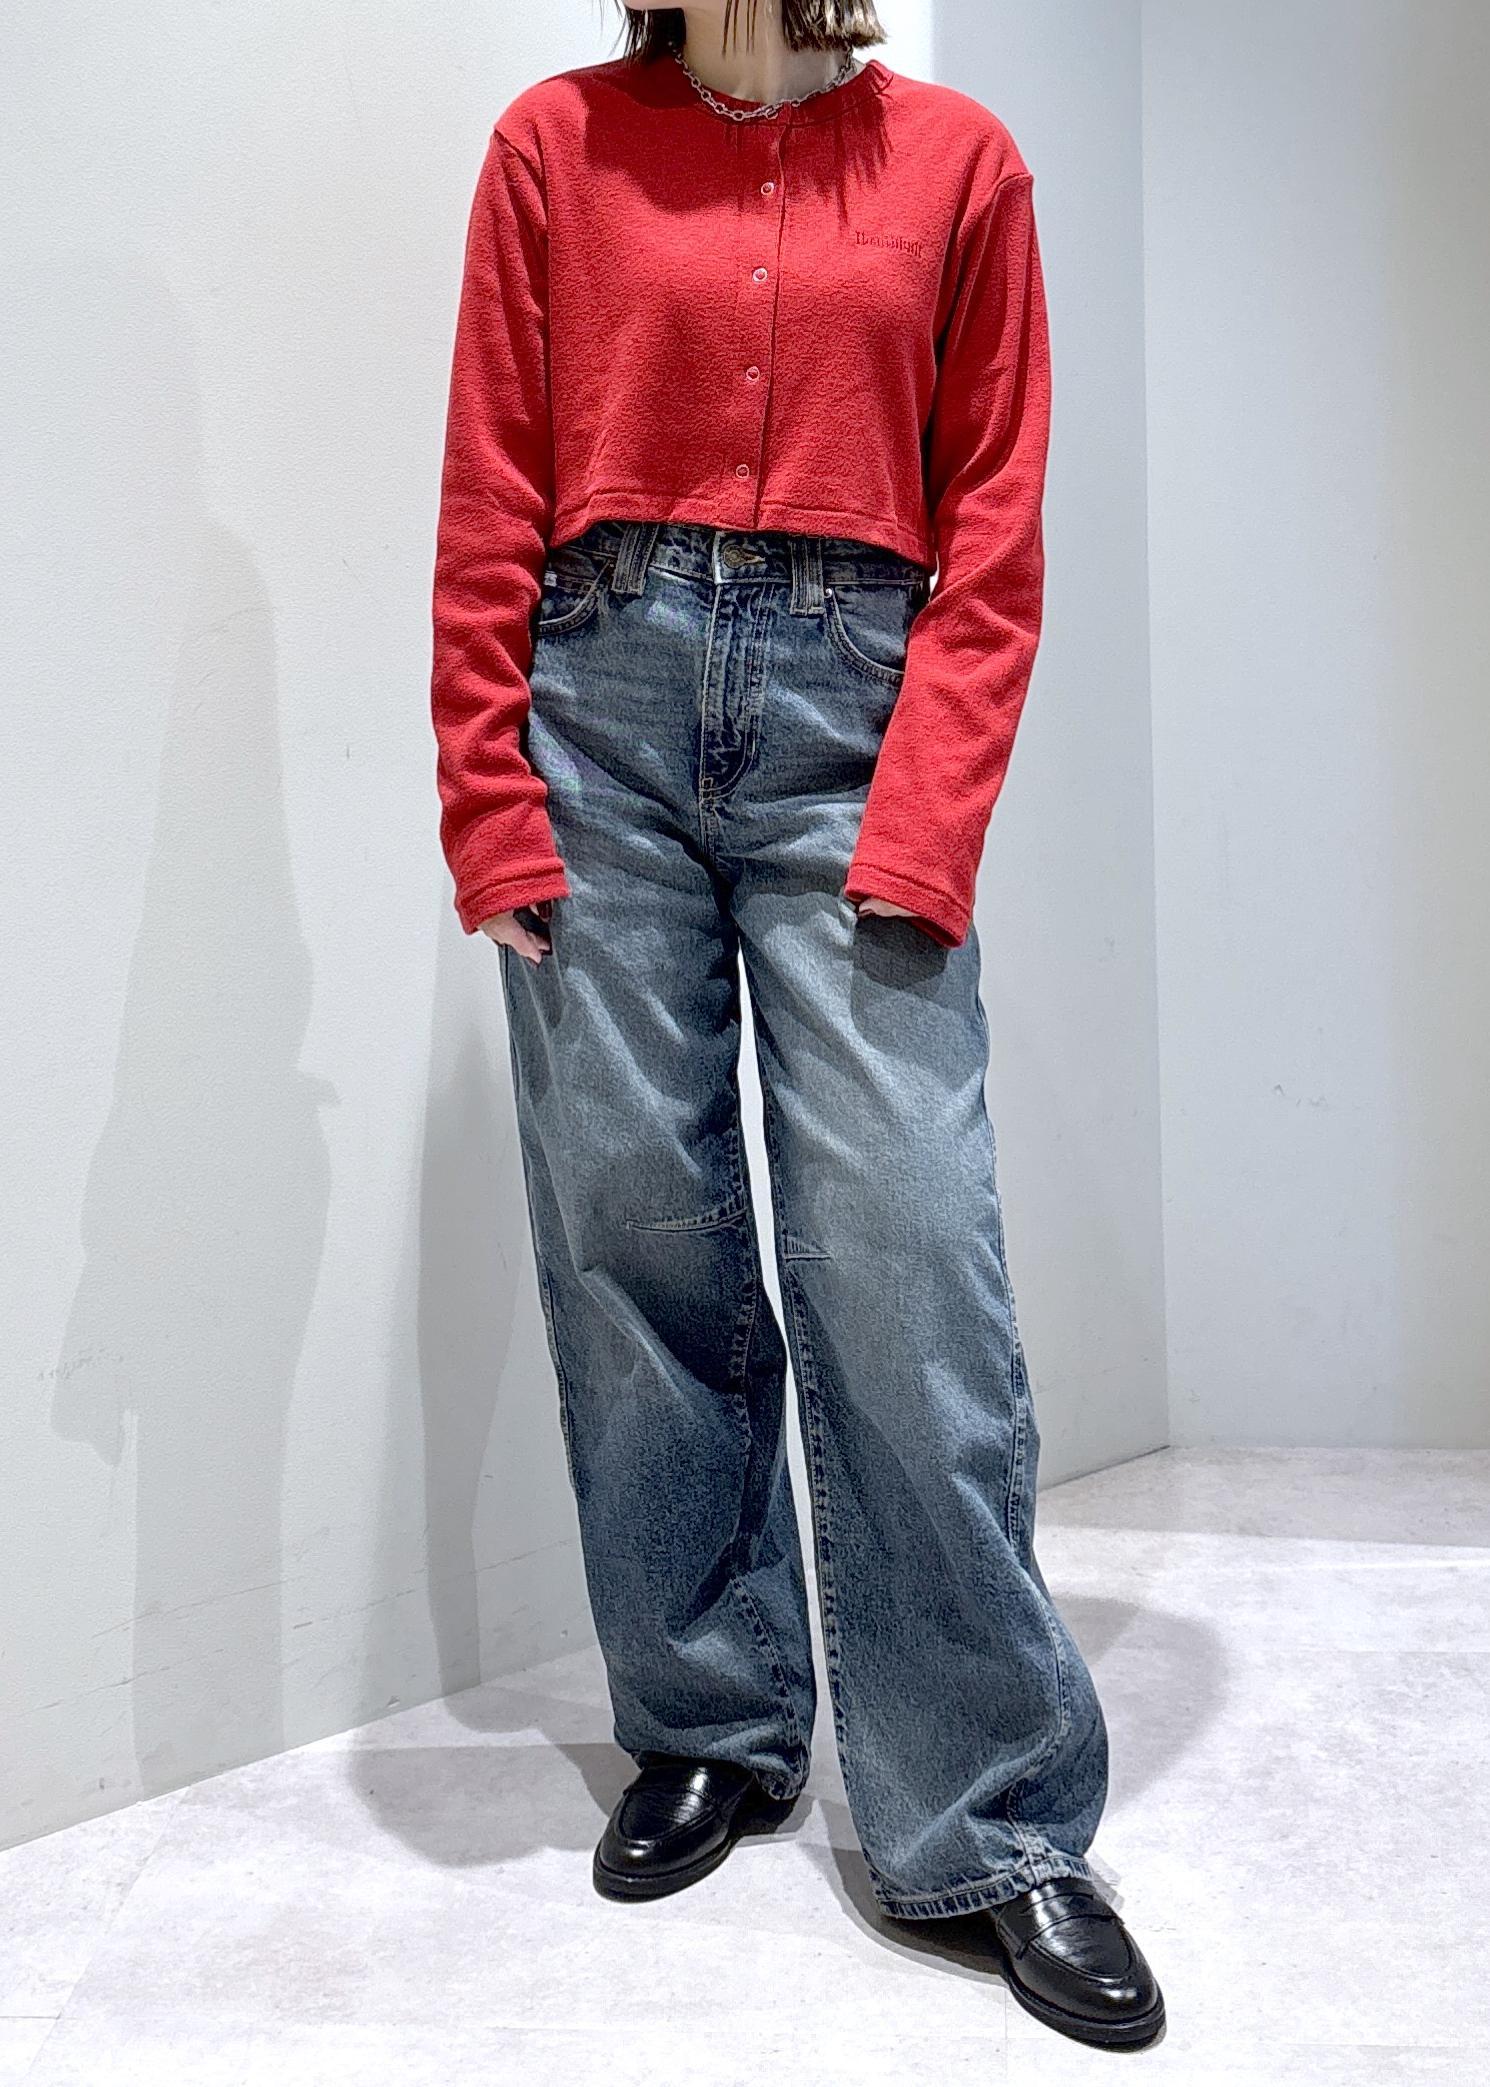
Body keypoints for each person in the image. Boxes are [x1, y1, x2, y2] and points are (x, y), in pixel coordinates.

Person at [429, 0, 1164, 2053]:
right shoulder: (551, 146)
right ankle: (709, 1719)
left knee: (906, 1258)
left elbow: (993, 525)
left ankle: (987, 1819)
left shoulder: (959, 164)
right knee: (631, 1238)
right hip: (592, 723)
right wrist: (487, 793)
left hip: (856, 719)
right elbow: (490, 485)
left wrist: (927, 821)